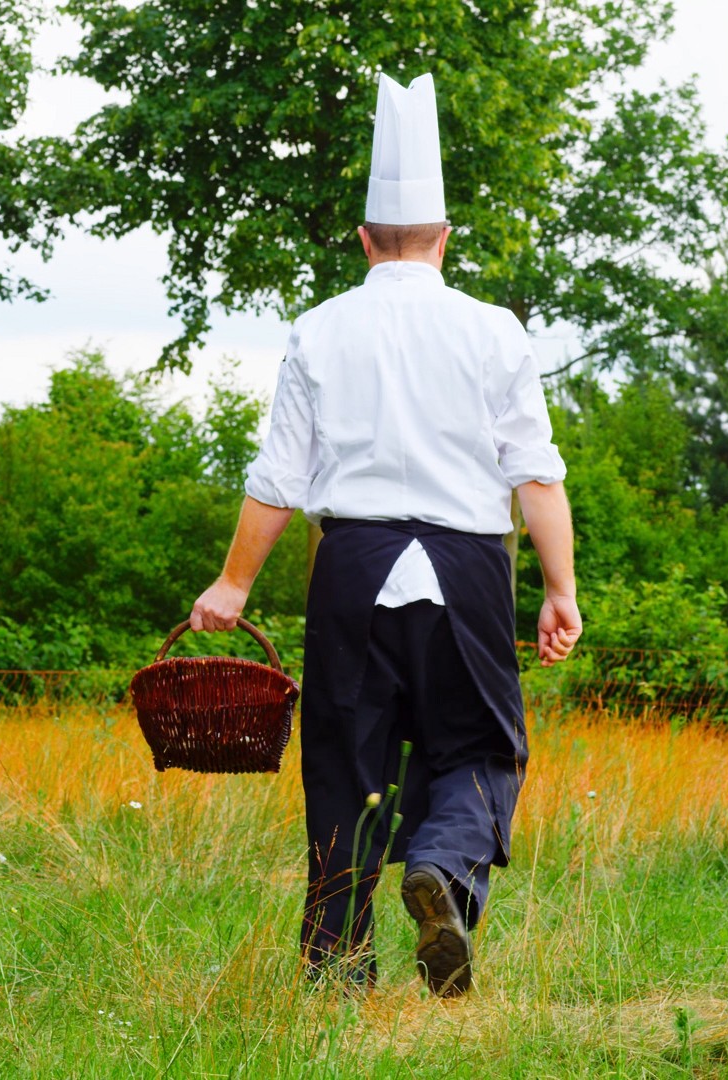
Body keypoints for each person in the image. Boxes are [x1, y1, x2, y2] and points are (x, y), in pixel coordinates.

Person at [190, 72, 581, 996]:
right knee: (481, 747)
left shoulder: (319, 328)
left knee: (345, 758)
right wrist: (560, 591)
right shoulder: (495, 331)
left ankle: (335, 968)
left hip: (353, 565)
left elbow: (279, 479)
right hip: (470, 570)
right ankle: (444, 865)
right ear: (444, 239)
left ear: (365, 240)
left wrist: (232, 586)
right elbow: (536, 472)